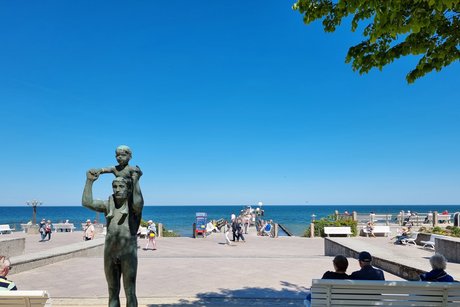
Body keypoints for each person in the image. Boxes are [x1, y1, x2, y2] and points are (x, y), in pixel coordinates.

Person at [83, 156, 144, 307]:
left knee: (130, 291)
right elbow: (87, 202)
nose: (117, 190)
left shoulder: (133, 208)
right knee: (112, 291)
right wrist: (89, 181)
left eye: (121, 187)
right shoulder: (107, 205)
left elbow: (138, 202)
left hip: (127, 253)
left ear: (128, 189)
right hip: (110, 252)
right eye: (115, 187)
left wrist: (136, 181)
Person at [93, 145, 142, 219]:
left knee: (128, 196)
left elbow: (140, 173)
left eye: (123, 155)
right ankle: (111, 212)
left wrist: (138, 173)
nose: (119, 157)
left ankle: (126, 208)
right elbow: (106, 169)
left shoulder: (131, 169)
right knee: (111, 197)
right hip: (119, 190)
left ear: (130, 157)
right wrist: (100, 170)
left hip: (129, 190)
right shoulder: (115, 168)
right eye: (117, 155)